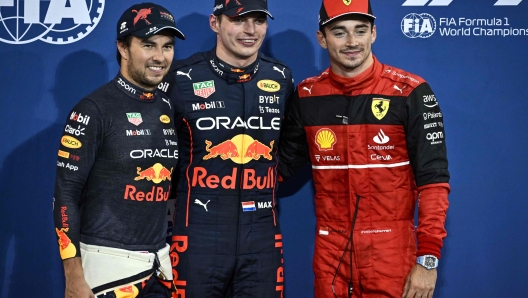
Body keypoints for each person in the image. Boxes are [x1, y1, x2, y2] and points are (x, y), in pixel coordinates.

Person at [278, 0, 450, 297]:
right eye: (339, 32)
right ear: (322, 38)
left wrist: (428, 260)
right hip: (331, 253)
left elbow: (434, 182)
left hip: (393, 254)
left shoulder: (410, 92)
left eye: (360, 30)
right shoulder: (307, 96)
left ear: (374, 33)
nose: (352, 42)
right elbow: (279, 168)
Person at [159, 0, 294, 296]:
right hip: (197, 234)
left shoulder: (281, 77)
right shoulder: (180, 78)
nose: (250, 30)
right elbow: (158, 151)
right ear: (214, 23)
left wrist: (263, 180)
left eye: (259, 21)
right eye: (237, 20)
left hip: (261, 236)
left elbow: (292, 148)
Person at [52, 3, 185, 297]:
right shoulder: (93, 109)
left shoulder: (166, 105)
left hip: (157, 266)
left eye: (167, 46)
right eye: (148, 45)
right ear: (123, 48)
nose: (159, 57)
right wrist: (73, 275)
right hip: (107, 269)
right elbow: (66, 194)